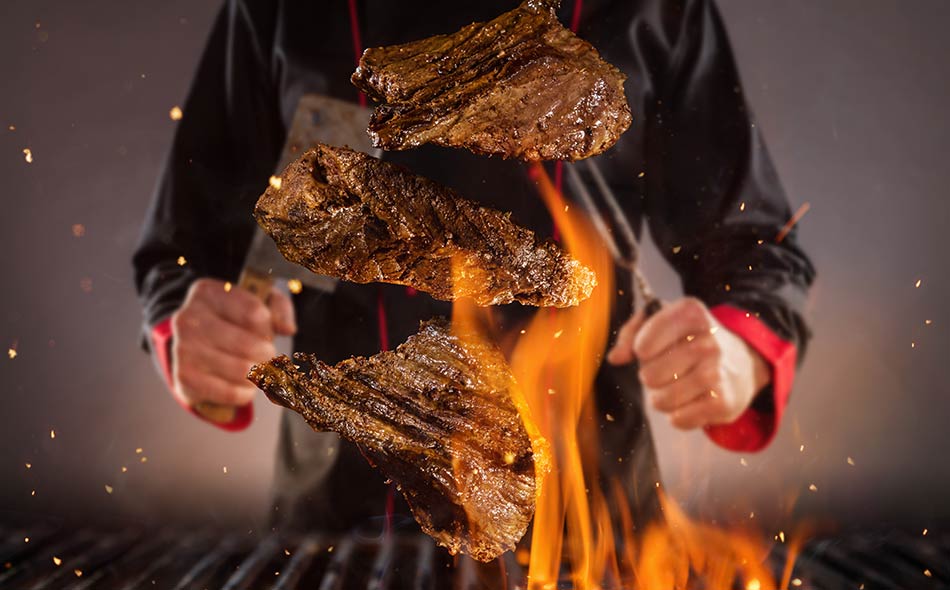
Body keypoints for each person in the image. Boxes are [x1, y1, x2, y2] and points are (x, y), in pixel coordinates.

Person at [133, 0, 813, 538]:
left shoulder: (658, 6)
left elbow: (754, 249)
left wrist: (735, 350)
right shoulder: (276, 7)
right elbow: (182, 250)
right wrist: (193, 331)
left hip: (594, 518)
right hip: (340, 521)